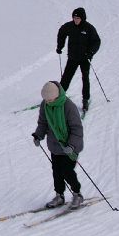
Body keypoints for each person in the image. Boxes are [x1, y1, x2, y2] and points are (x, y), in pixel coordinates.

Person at [31, 80, 84, 208]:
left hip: (69, 147)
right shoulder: (45, 105)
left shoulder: (68, 106)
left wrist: (71, 145)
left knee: (67, 171)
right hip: (54, 146)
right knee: (56, 172)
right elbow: (43, 123)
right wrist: (38, 135)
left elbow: (77, 129)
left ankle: (77, 194)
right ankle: (59, 196)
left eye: (50, 100)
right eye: (46, 100)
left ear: (56, 96)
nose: (48, 102)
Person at [55, 7, 101, 111]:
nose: (75, 20)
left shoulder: (89, 28)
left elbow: (96, 41)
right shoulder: (69, 26)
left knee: (85, 78)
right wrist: (60, 46)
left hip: (85, 58)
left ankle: (85, 100)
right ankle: (59, 97)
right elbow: (61, 32)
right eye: (74, 18)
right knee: (66, 77)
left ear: (82, 18)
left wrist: (91, 52)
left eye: (78, 18)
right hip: (73, 57)